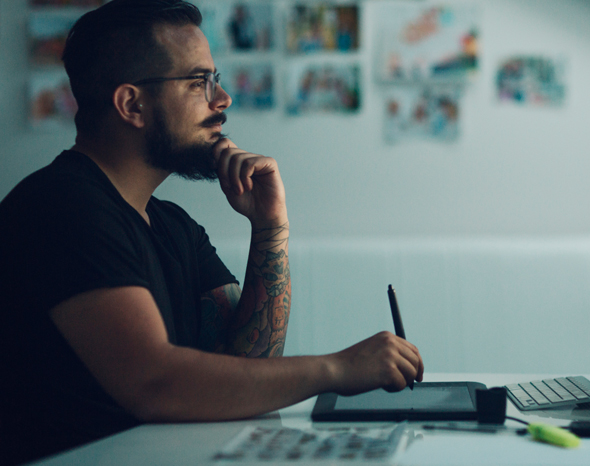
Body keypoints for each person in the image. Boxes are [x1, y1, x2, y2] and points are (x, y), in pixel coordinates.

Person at [0, 1, 424, 464]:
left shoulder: (173, 226)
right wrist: (337, 368)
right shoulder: (62, 207)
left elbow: (245, 367)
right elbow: (153, 383)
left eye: (215, 81)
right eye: (199, 82)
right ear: (131, 104)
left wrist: (269, 226)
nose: (221, 100)